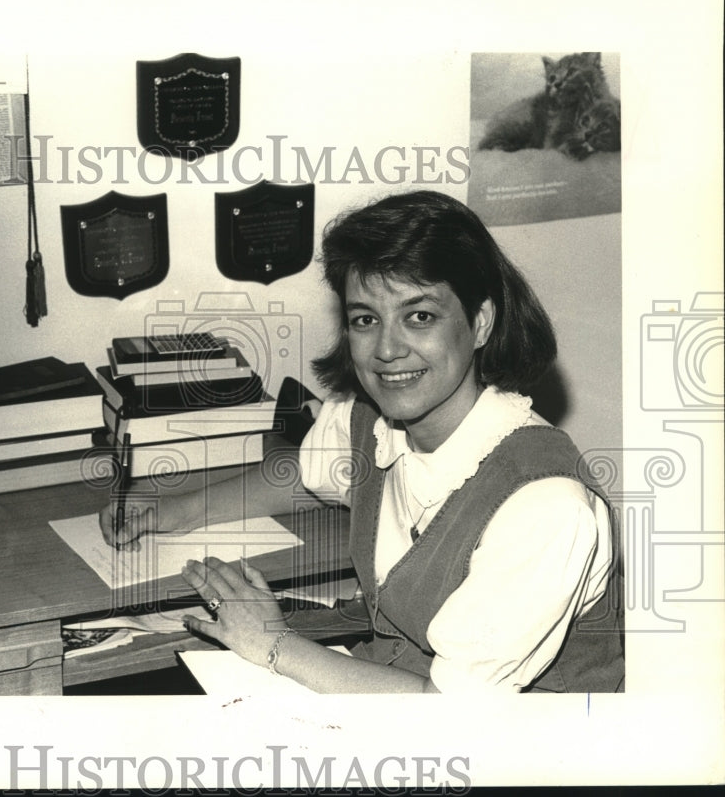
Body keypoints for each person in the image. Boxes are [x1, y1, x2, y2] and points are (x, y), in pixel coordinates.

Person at [100, 190, 624, 694]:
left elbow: (452, 714)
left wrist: (274, 644)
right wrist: (174, 511)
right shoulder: (371, 422)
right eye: (365, 320)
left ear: (480, 322)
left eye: (420, 316)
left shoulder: (545, 507)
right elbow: (302, 477)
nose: (387, 349)